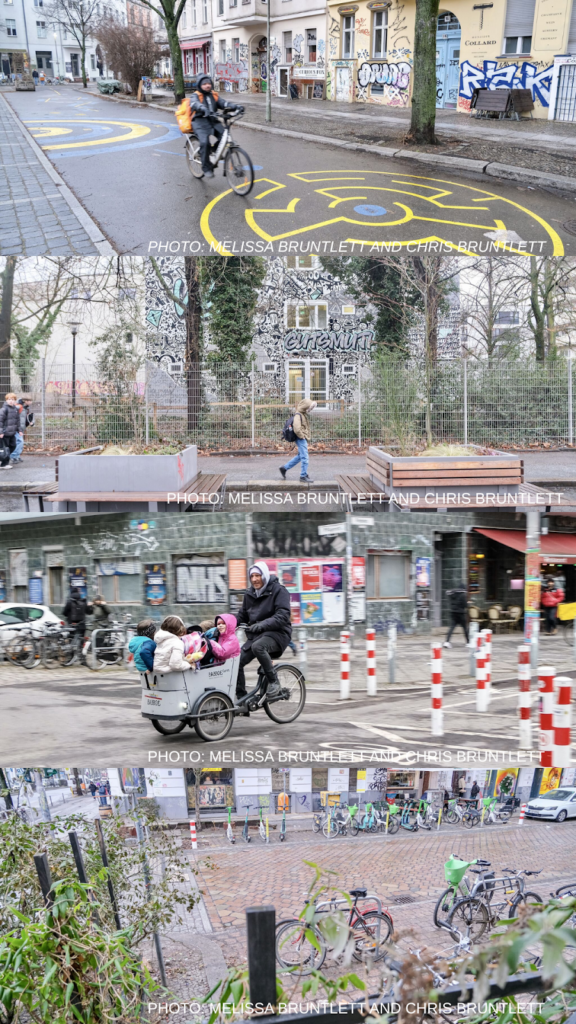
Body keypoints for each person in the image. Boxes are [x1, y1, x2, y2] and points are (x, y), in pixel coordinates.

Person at [236, 561, 292, 706]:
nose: (254, 579)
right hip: (256, 636)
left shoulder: (279, 591)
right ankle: (241, 700)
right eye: (252, 576)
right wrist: (223, 623)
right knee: (235, 662)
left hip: (277, 634)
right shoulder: (249, 594)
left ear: (264, 575)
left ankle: (274, 682)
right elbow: (242, 616)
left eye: (257, 575)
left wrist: (261, 625)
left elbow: (282, 616)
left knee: (258, 647)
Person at [189, 74, 244, 178]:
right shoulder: (195, 95)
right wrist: (202, 108)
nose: (207, 86)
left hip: (212, 119)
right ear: (200, 85)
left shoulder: (213, 95)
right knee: (205, 142)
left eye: (209, 83)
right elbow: (194, 103)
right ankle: (206, 167)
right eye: (204, 84)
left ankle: (213, 151)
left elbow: (223, 103)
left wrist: (236, 107)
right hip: (200, 121)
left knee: (225, 136)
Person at [280, 398, 316, 483]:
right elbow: (297, 428)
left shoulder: (302, 414)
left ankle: (284, 468)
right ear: (305, 407)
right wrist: (302, 436)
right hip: (300, 438)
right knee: (305, 457)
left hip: (301, 438)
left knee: (300, 456)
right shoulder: (298, 415)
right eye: (309, 407)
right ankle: (303, 476)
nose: (310, 410)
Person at [443, 582, 469, 648]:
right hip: (461, 613)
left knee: (451, 628)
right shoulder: (463, 595)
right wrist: (468, 603)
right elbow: (465, 605)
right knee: (465, 628)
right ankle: (468, 642)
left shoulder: (452, 594)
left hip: (453, 612)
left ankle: (447, 642)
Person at [9, 396, 33, 465]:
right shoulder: (18, 407)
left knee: (19, 442)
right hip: (16, 428)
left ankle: (17, 456)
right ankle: (13, 456)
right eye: (30, 401)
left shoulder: (26, 408)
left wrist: (30, 422)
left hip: (21, 428)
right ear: (26, 401)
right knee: (19, 441)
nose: (31, 402)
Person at [0, 393, 21, 469]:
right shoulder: (4, 409)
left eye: (12, 399)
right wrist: (1, 432)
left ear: (15, 400)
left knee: (13, 446)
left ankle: (2, 459)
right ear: (6, 400)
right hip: (5, 433)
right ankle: (4, 464)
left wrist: (19, 430)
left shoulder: (15, 409)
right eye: (9, 399)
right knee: (5, 449)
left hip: (12, 433)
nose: (11, 401)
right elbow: (0, 421)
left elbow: (17, 420)